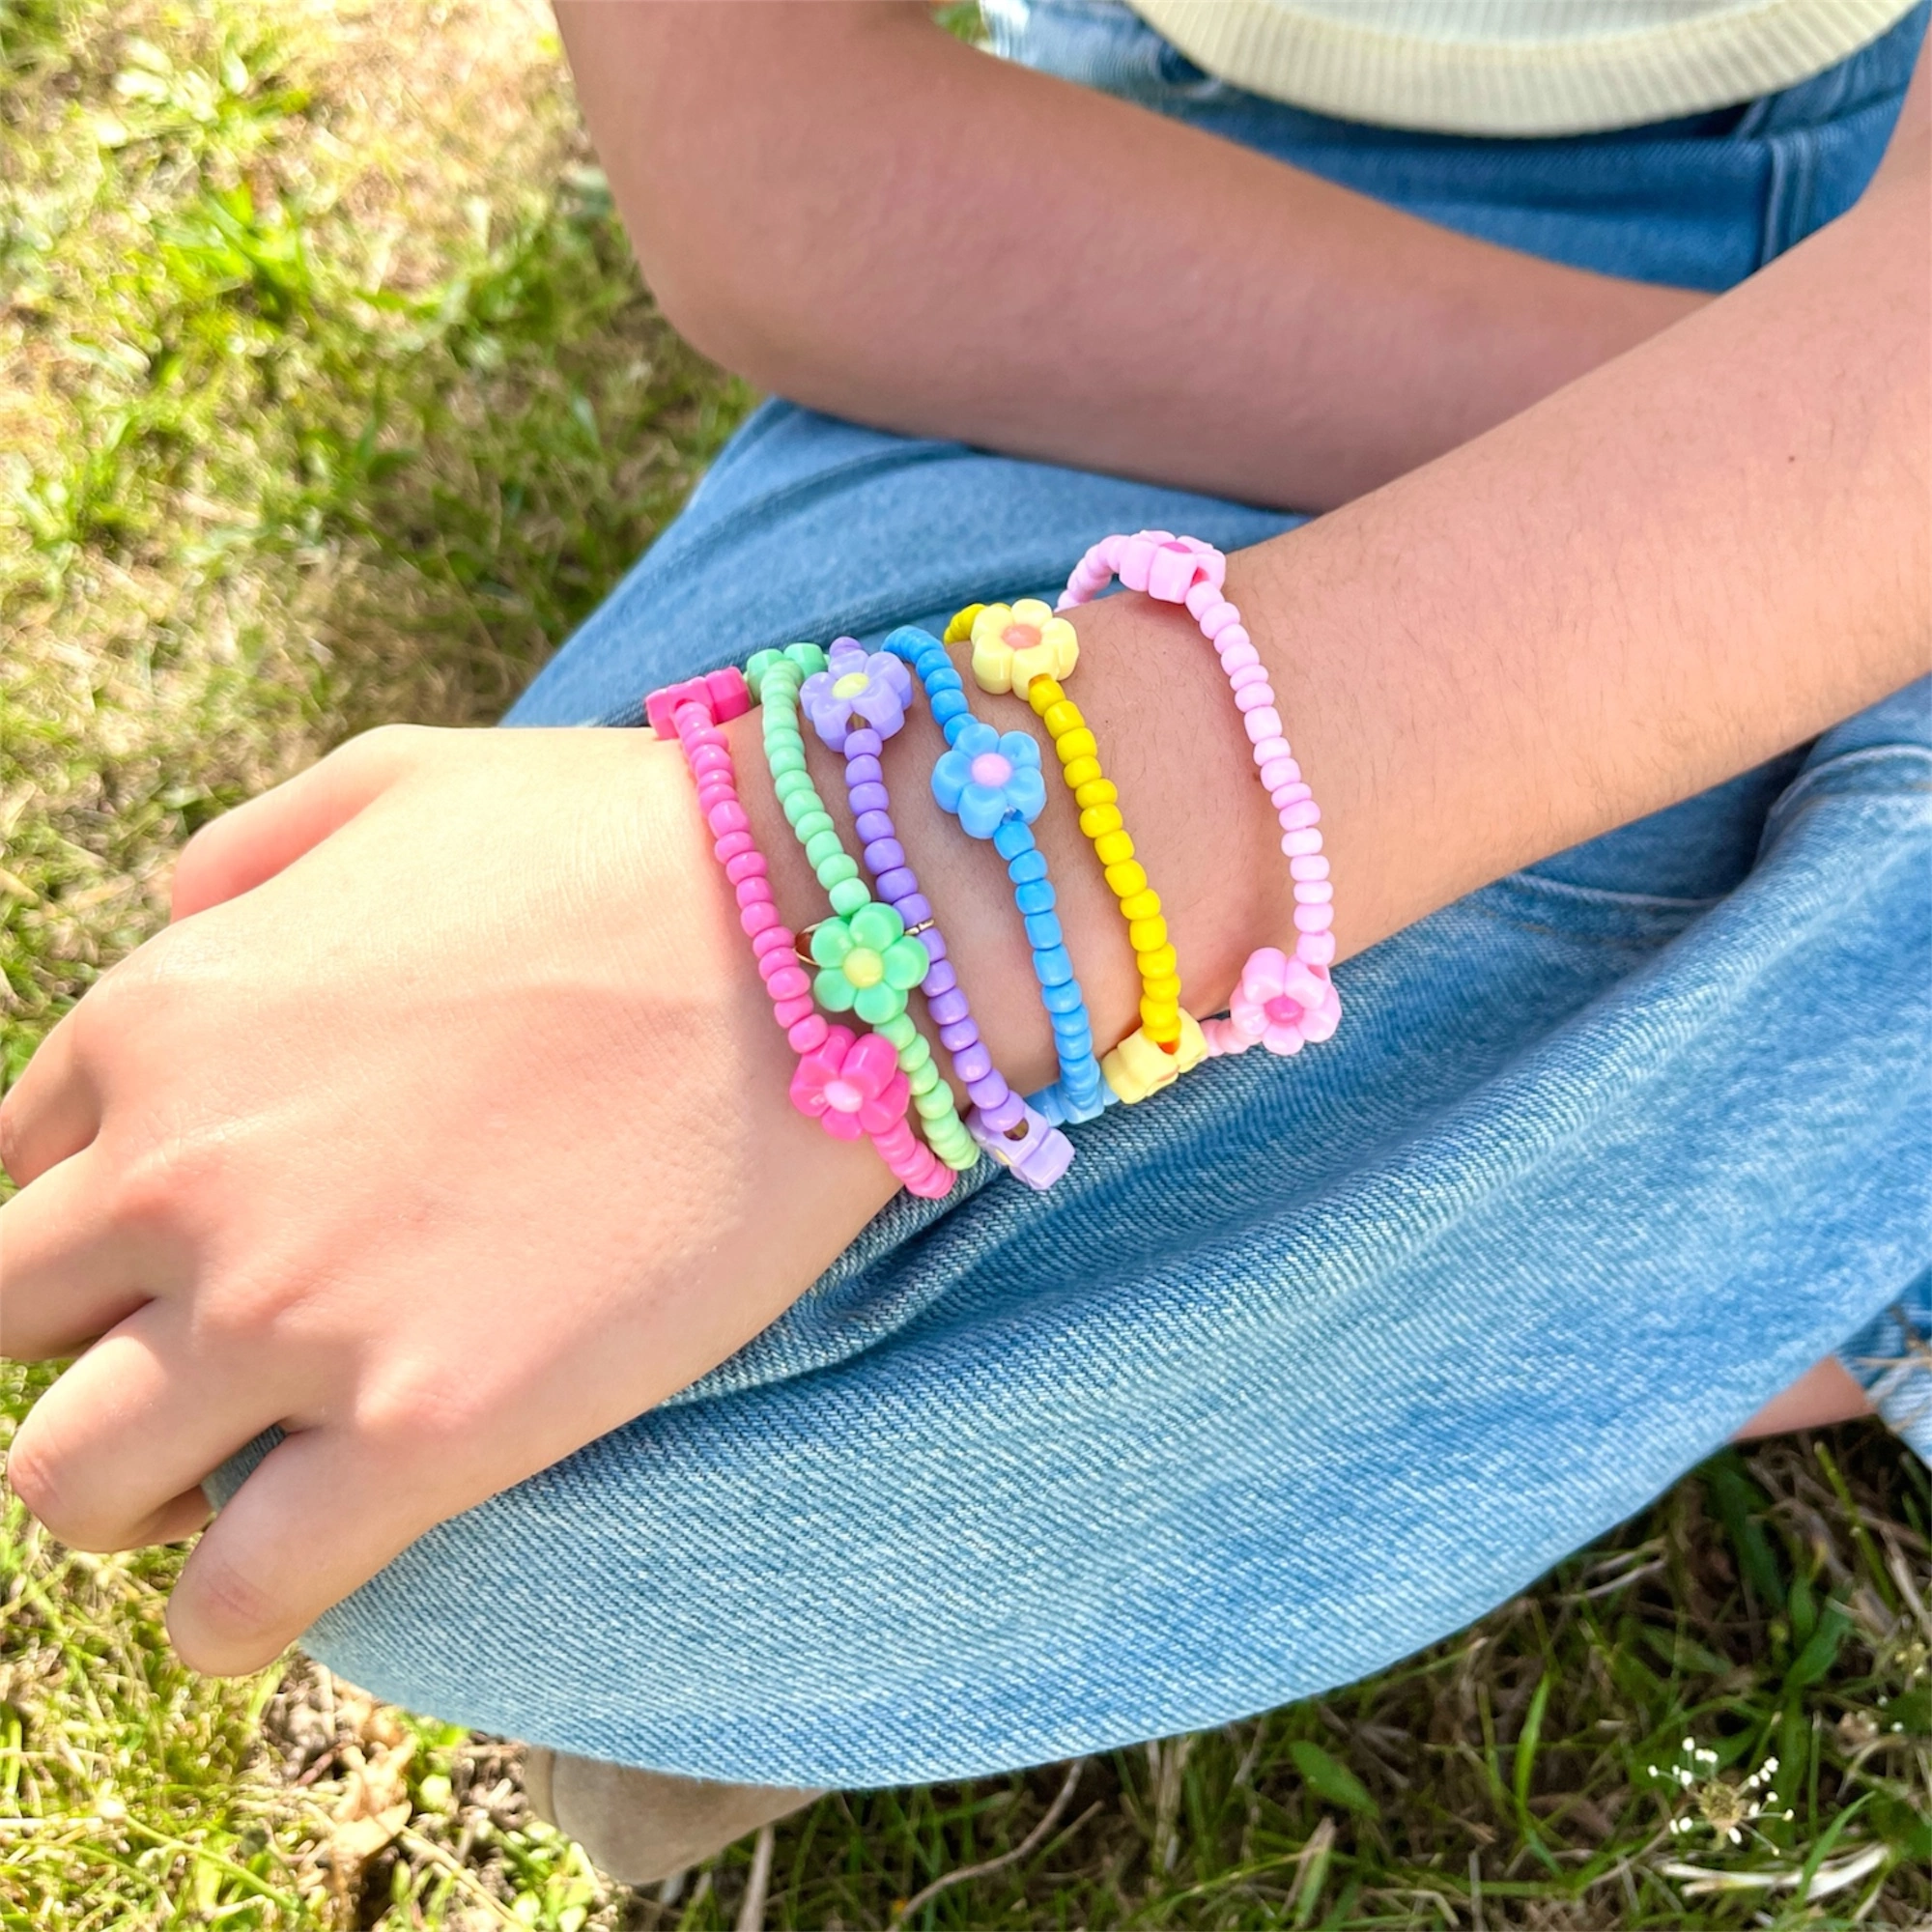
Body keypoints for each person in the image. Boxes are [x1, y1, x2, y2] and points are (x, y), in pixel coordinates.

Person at [1, 0, 1926, 1885]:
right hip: (1228, 231)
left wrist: (900, 868)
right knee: (481, 1495)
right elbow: (774, 141)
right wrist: (1733, 459)